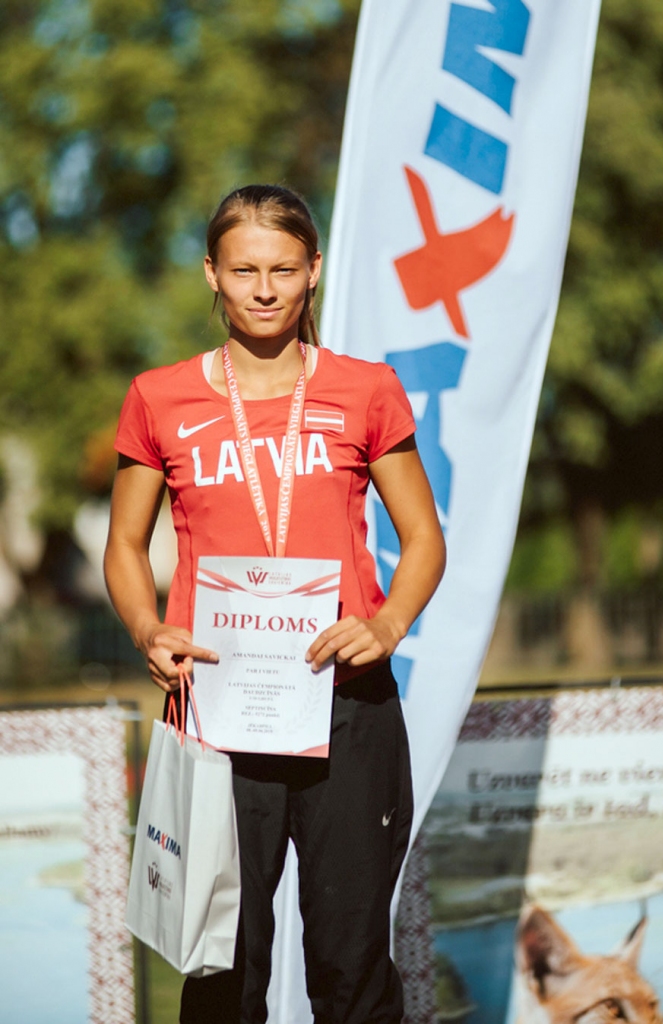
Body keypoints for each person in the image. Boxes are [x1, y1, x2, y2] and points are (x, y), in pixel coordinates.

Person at [104, 184, 446, 1024]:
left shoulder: (366, 390)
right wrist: (149, 628)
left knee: (352, 965)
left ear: (313, 272)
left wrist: (388, 623)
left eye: (284, 269)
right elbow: (122, 546)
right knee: (220, 967)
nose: (264, 289)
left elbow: (424, 540)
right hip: (215, 712)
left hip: (346, 705)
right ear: (211, 275)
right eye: (245, 269)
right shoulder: (160, 397)